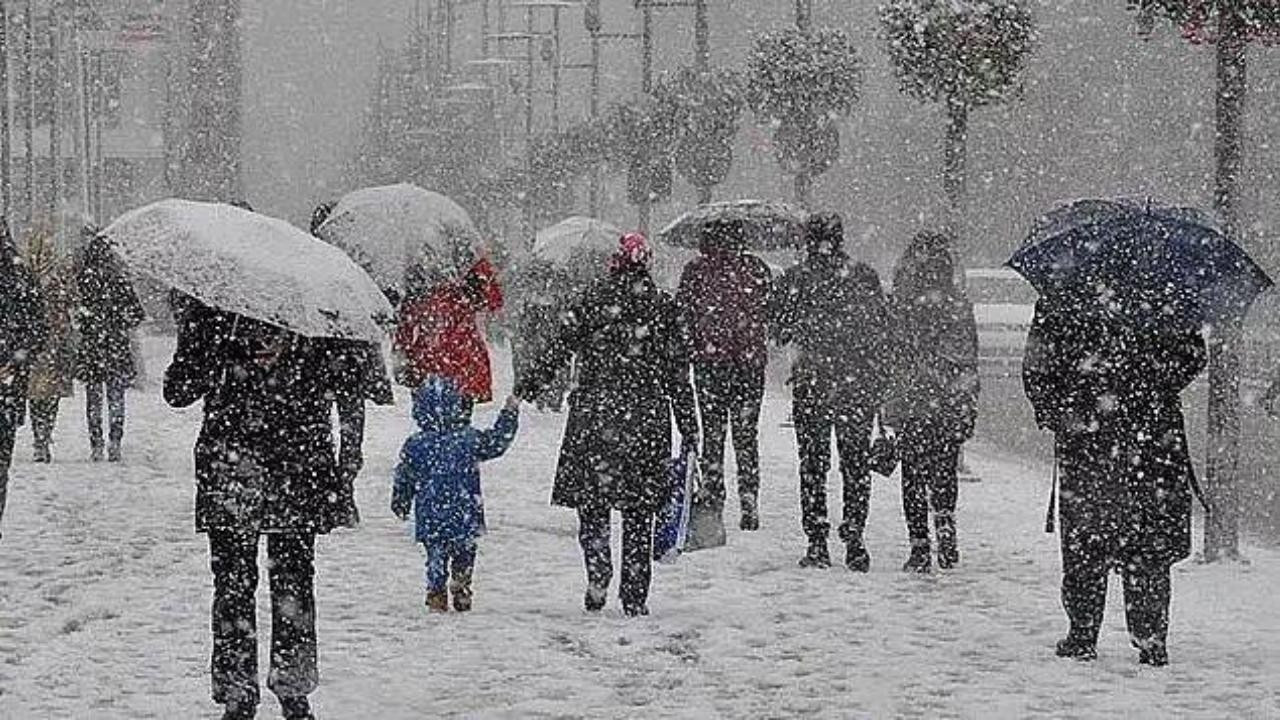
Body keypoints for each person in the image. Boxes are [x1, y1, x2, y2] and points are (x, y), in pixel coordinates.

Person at [165, 299, 363, 720]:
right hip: (270, 467)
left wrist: (220, 350)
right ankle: (269, 689)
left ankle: (262, 689)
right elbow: (177, 390)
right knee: (265, 583)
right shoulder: (305, 310)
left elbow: (347, 383)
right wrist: (220, 353)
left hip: (261, 465)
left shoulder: (220, 310)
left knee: (258, 583)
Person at [515, 233, 698, 616]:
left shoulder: (592, 299)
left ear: (615, 262)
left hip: (595, 415)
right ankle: (634, 594)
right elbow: (679, 376)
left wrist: (526, 388)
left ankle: (598, 568)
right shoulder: (664, 308)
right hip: (647, 418)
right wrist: (689, 427)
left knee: (593, 503)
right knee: (639, 512)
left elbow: (558, 349)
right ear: (646, 266)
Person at [1023, 288, 1202, 667]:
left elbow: (1037, 365)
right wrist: (1152, 379)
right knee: (1148, 541)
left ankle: (1083, 632)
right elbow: (1192, 356)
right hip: (1152, 437)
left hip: (1088, 434)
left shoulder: (1063, 292)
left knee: (1086, 537)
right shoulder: (1166, 290)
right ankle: (1150, 635)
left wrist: (1058, 410)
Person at [770, 213, 892, 571]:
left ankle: (817, 540)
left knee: (813, 465)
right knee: (855, 465)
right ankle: (855, 537)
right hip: (857, 384)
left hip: (813, 383)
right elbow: (883, 331)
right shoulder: (864, 277)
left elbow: (778, 330)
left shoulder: (796, 279)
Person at [883, 235, 978, 573]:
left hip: (913, 401)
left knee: (912, 474)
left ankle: (919, 544)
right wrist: (967, 401)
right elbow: (968, 358)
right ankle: (945, 522)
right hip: (948, 401)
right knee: (944, 470)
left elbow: (889, 356)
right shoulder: (957, 304)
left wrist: (889, 401)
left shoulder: (902, 304)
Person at [392, 376, 520, 613]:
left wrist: (400, 501)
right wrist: (509, 413)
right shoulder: (469, 439)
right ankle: (461, 584)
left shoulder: (416, 444)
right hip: (465, 510)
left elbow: (404, 476)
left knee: (435, 554)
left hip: (430, 513)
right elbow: (497, 442)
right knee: (465, 550)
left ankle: (436, 590)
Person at [676, 217, 772, 532]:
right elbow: (771, 312)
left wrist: (693, 350)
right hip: (748, 364)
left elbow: (683, 316)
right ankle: (749, 497)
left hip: (710, 364)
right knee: (746, 435)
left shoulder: (695, 272)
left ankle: (714, 496)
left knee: (713, 435)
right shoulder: (757, 269)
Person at [310, 202, 394, 521]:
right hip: (351, 361)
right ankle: (343, 492)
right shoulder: (357, 265)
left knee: (324, 429)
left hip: (323, 360)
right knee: (348, 430)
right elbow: (380, 309)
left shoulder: (310, 263)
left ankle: (334, 490)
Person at [394, 253, 504, 409]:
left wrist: (403, 356)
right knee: (460, 415)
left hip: (431, 358)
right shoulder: (471, 264)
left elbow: (406, 326)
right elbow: (495, 301)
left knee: (430, 415)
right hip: (463, 357)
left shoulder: (421, 277)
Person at [74, 230, 145, 462]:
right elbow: (136, 314)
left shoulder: (84, 279)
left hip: (93, 347)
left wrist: (88, 322)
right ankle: (115, 440)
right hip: (115, 345)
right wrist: (120, 319)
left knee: (93, 397)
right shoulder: (119, 280)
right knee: (116, 397)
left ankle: (96, 442)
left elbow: (78, 314)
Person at [0, 220, 47, 539]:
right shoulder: (21, 276)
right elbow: (38, 331)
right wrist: (15, 362)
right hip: (7, 391)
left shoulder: (20, 277)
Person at [23, 223, 75, 463]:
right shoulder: (56, 273)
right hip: (49, 341)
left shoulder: (26, 273)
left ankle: (41, 438)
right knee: (45, 394)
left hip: (38, 341)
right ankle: (43, 437)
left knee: (40, 393)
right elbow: (70, 300)